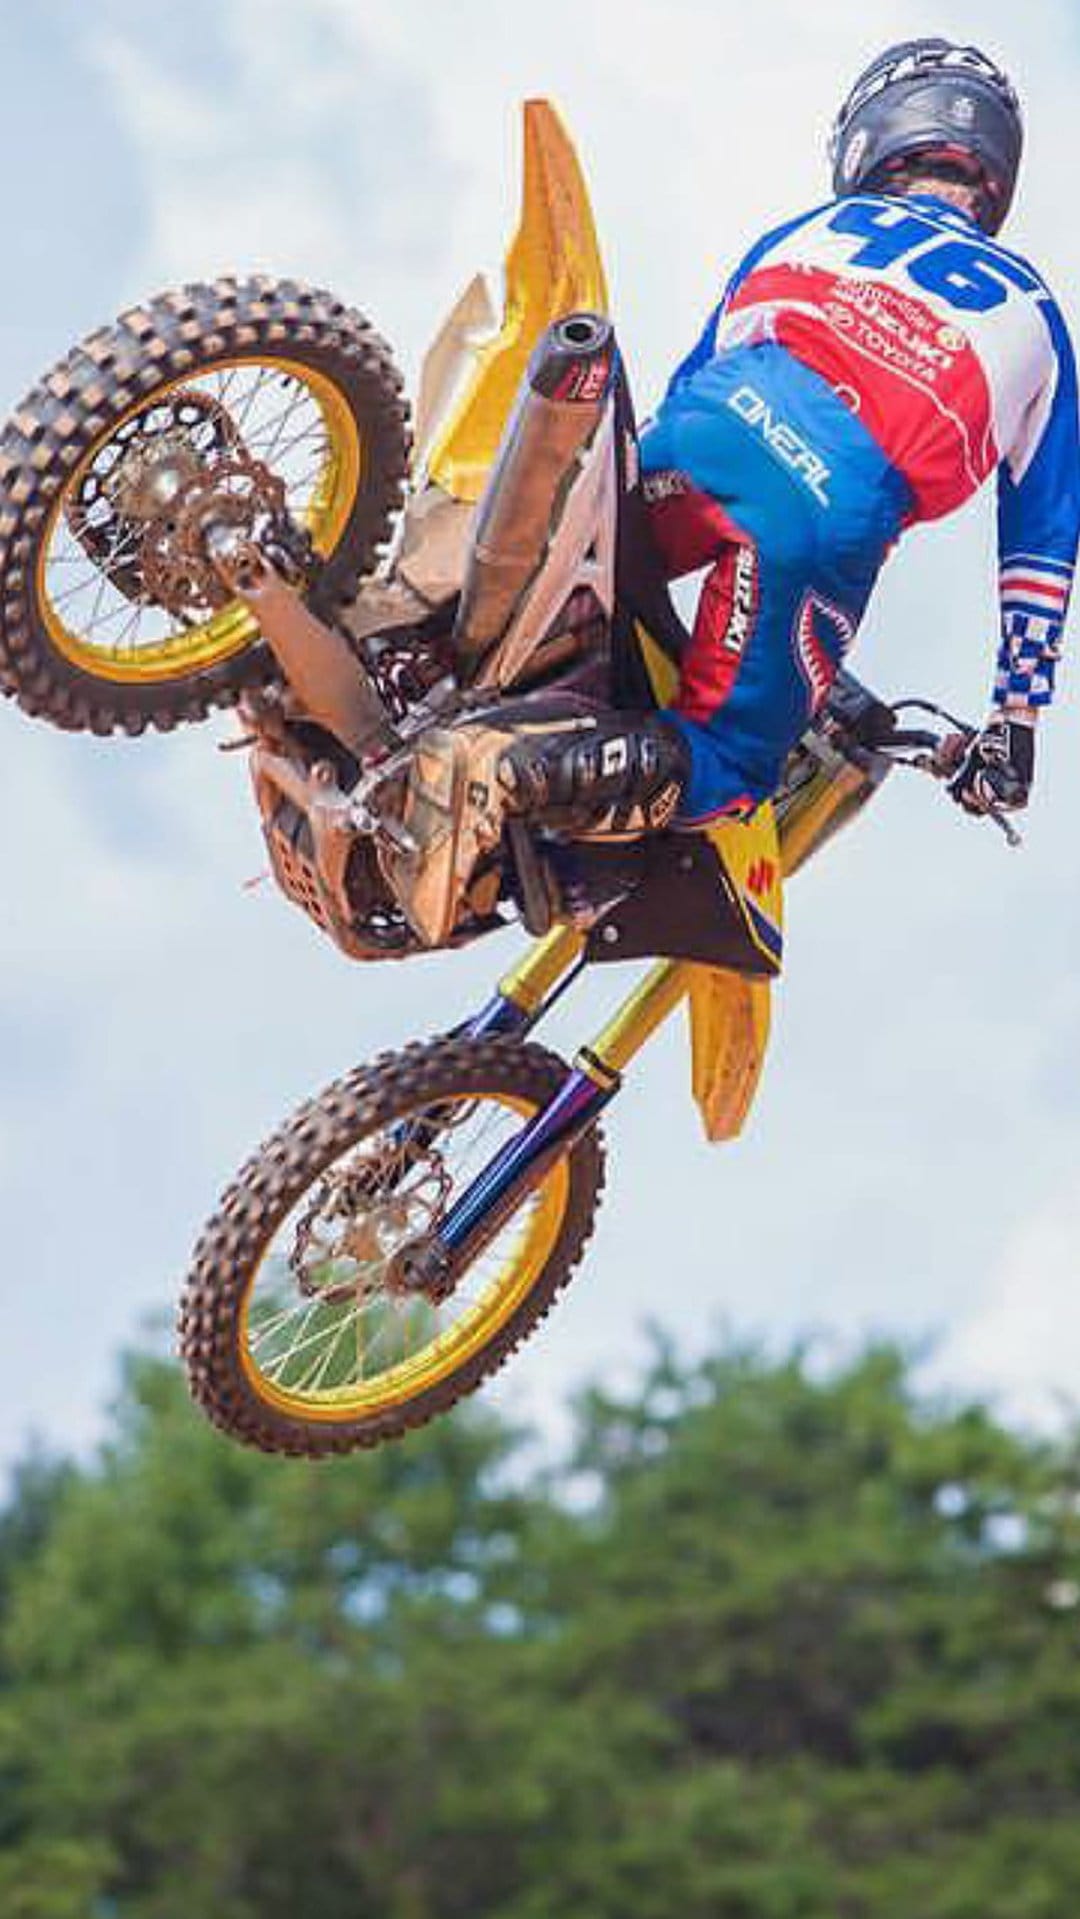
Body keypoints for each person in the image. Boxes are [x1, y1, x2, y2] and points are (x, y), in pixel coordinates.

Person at [485, 38, 1080, 844]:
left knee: (586, 569)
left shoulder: (817, 227)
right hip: (826, 509)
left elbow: (689, 383)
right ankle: (530, 784)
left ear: (876, 134)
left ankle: (424, 644)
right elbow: (1042, 545)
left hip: (710, 428)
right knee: (728, 763)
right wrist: (1015, 719)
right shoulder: (1036, 312)